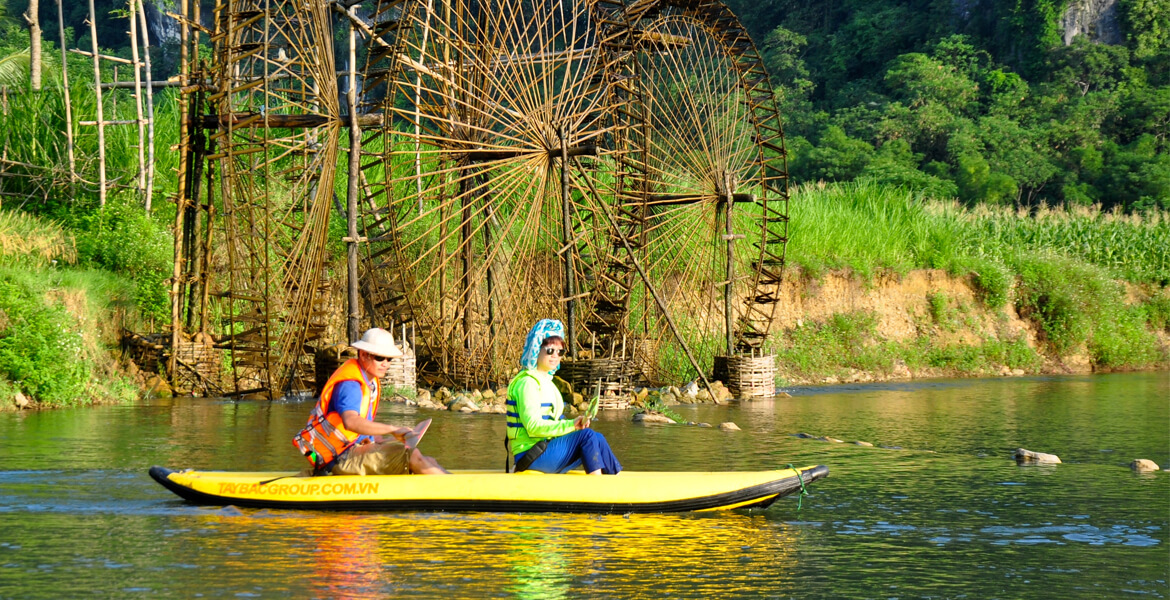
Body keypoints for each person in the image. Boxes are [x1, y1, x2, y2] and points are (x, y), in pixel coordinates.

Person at [294, 328, 448, 475]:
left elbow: (356, 432)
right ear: (363, 355)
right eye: (379, 358)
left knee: (427, 459)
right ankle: (459, 492)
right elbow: (351, 422)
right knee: (413, 456)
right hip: (339, 459)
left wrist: (383, 439)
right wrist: (392, 429)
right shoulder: (351, 386)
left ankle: (451, 481)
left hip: (346, 452)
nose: (385, 363)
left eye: (389, 359)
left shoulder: (369, 382)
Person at [505, 319, 622, 475]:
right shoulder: (527, 383)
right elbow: (533, 427)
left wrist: (575, 424)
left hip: (546, 449)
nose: (555, 356)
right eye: (549, 351)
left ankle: (617, 479)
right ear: (536, 350)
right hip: (530, 455)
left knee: (597, 437)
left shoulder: (548, 383)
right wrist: (571, 426)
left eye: (560, 352)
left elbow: (555, 424)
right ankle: (597, 487)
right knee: (587, 437)